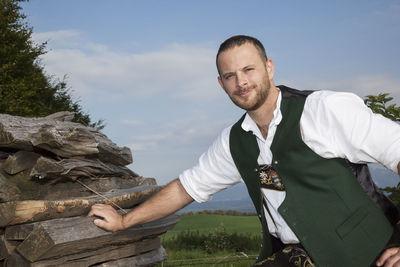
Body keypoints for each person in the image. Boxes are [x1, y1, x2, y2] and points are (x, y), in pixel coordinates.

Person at [89, 35, 400, 267]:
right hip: (296, 257)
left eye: (248, 69)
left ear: (269, 68)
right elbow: (185, 188)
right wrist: (124, 221)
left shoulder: (322, 110)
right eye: (229, 76)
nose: (241, 82)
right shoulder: (233, 141)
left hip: (370, 253)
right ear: (221, 84)